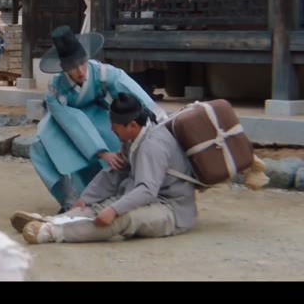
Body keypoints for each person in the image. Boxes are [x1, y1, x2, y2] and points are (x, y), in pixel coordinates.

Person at [11, 92, 198, 244]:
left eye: (115, 127)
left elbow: (147, 190)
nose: (111, 130)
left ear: (132, 125)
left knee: (119, 218)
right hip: (142, 196)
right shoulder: (132, 138)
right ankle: (52, 221)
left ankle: (51, 232)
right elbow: (115, 171)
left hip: (170, 210)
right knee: (97, 207)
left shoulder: (152, 145)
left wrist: (114, 210)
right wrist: (85, 199)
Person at [29, 26, 168, 214]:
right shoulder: (55, 90)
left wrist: (157, 117)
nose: (80, 70)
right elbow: (71, 121)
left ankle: (122, 193)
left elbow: (132, 92)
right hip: (63, 123)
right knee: (39, 145)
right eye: (72, 66)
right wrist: (100, 152)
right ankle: (70, 201)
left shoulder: (102, 72)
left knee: (121, 140)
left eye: (82, 63)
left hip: (97, 113)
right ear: (63, 67)